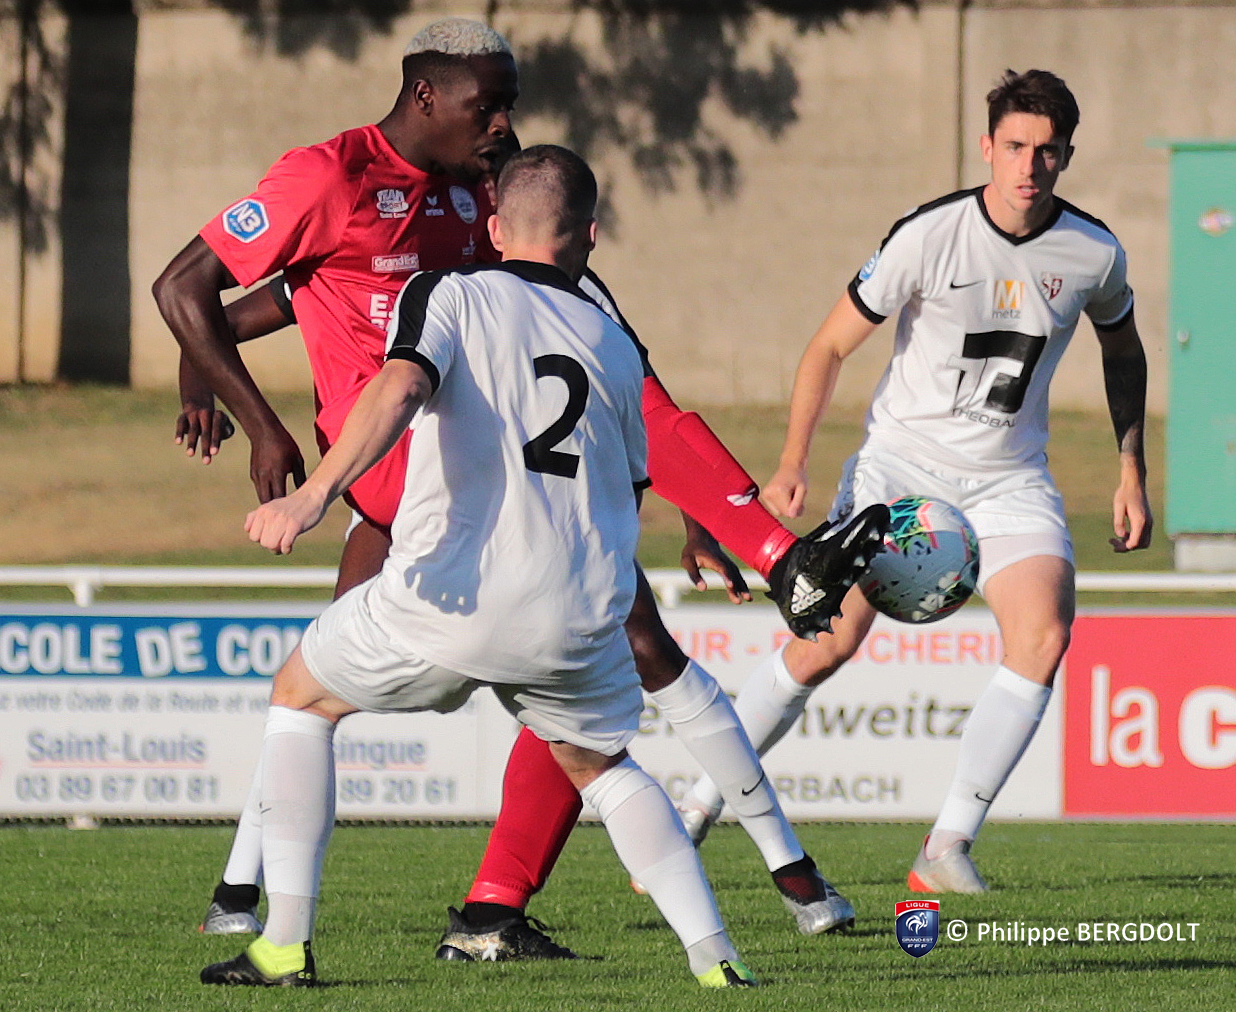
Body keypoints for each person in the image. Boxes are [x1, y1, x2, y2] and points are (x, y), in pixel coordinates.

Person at [154, 17, 888, 953]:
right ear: (426, 95)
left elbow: (597, 355)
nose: (503, 123)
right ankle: (783, 863)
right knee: (626, 639)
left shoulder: (484, 192)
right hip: (402, 458)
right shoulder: (330, 176)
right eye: (488, 105)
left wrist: (685, 501)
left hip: (465, 469)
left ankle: (260, 897)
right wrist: (250, 418)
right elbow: (196, 291)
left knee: (318, 685)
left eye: (510, 105)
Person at [199, 144, 758, 988]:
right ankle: (718, 963)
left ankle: (279, 944)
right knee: (604, 769)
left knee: (300, 697)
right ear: (591, 237)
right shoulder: (613, 342)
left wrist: (314, 495)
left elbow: (398, 388)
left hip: (448, 598)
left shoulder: (448, 292)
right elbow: (634, 480)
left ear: (494, 229)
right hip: (578, 612)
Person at [677, 69, 1152, 893]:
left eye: (1047, 151)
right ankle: (695, 804)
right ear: (986, 146)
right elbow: (828, 347)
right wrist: (793, 462)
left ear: (1067, 156)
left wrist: (1130, 466)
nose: (1030, 165)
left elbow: (1124, 349)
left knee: (1044, 635)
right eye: (1015, 146)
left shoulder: (1095, 251)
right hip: (901, 469)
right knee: (828, 643)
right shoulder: (929, 235)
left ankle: (947, 844)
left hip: (1009, 479)